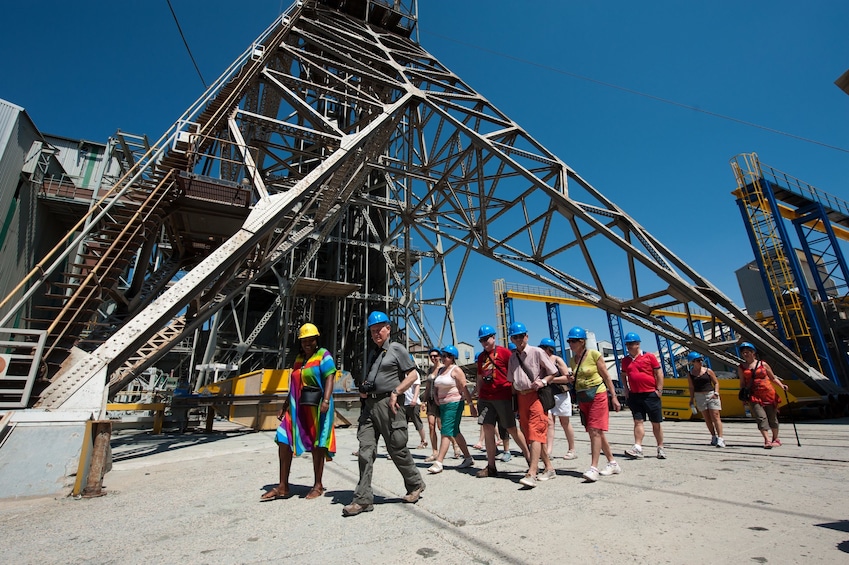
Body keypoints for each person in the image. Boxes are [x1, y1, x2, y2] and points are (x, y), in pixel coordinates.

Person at [343, 311, 427, 517]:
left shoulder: (396, 348)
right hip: (370, 406)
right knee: (365, 450)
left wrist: (396, 392)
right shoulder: (374, 353)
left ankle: (415, 483)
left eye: (379, 329)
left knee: (397, 448)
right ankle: (362, 499)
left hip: (389, 405)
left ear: (388, 328)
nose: (375, 333)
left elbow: (414, 374)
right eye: (372, 330)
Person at [262, 323, 336, 501]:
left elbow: (330, 377)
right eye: (304, 341)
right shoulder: (299, 359)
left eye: (310, 340)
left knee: (318, 444)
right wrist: (285, 405)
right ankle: (283, 486)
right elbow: (294, 384)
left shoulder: (323, 355)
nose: (307, 344)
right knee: (283, 438)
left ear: (316, 340)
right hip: (297, 408)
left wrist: (326, 400)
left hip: (317, 406)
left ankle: (318, 485)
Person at [506, 322, 560, 488]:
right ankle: (549, 468)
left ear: (527, 336)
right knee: (530, 434)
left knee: (536, 431)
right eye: (515, 336)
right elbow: (511, 381)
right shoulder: (513, 358)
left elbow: (553, 371)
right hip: (522, 398)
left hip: (536, 396)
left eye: (521, 336)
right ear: (512, 339)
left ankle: (532, 472)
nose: (519, 339)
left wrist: (543, 381)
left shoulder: (537, 352)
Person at [475, 324, 530, 478]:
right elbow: (479, 378)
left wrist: (515, 396)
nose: (484, 342)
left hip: (503, 396)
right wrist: (479, 397)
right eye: (481, 340)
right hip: (486, 399)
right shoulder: (481, 357)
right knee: (488, 429)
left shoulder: (505, 353)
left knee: (512, 428)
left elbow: (515, 373)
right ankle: (491, 466)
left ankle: (529, 459)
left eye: (487, 338)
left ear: (494, 337)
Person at [567, 326, 622, 482]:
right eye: (569, 341)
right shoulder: (572, 360)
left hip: (598, 393)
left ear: (582, 341)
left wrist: (614, 397)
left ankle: (594, 468)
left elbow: (606, 377)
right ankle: (612, 463)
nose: (570, 343)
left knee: (594, 430)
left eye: (573, 341)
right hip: (583, 397)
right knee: (596, 432)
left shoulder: (594, 355)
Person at [427, 345, 477, 473]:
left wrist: (471, 406)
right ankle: (468, 457)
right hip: (442, 404)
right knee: (454, 431)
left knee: (446, 431)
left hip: (454, 404)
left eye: (448, 356)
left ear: (453, 358)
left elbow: (464, 388)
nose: (444, 358)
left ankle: (439, 462)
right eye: (443, 355)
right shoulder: (440, 370)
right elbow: (436, 385)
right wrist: (436, 397)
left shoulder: (456, 370)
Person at [620, 332, 666, 460]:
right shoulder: (625, 360)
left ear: (638, 344)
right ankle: (638, 447)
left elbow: (659, 373)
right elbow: (623, 375)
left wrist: (659, 390)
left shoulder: (649, 356)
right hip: (635, 395)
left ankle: (660, 447)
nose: (628, 346)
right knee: (638, 421)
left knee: (656, 423)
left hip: (650, 394)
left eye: (630, 344)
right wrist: (626, 389)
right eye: (627, 344)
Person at [737, 342, 788, 449]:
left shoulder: (763, 364)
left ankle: (775, 439)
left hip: (768, 393)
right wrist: (743, 396)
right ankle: (767, 440)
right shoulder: (741, 367)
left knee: (772, 417)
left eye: (748, 352)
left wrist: (782, 386)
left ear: (753, 352)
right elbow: (742, 383)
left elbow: (773, 378)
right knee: (760, 417)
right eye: (743, 353)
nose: (745, 354)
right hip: (753, 395)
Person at [539, 337, 577, 461]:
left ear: (550, 349)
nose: (542, 350)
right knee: (549, 423)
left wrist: (550, 379)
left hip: (560, 394)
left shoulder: (557, 360)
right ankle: (548, 451)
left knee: (564, 422)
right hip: (547, 395)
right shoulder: (540, 361)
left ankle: (572, 449)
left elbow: (567, 378)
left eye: (544, 348)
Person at [424, 348, 460, 462]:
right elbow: (428, 387)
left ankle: (455, 444)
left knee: (442, 427)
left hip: (441, 400)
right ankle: (435, 452)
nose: (433, 358)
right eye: (431, 356)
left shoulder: (443, 368)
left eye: (435, 356)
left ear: (440, 356)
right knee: (431, 425)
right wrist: (424, 401)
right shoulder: (430, 370)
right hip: (430, 400)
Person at [686, 352, 725, 447]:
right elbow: (691, 387)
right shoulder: (690, 374)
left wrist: (716, 393)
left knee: (715, 416)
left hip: (711, 394)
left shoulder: (708, 371)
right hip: (699, 396)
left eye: (701, 360)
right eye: (698, 360)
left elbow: (716, 383)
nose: (700, 362)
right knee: (707, 418)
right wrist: (691, 399)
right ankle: (713, 436)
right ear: (692, 362)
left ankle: (721, 438)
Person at [404, 367, 428, 449]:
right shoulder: (400, 373)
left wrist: (414, 399)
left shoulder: (414, 373)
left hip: (413, 402)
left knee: (417, 422)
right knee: (402, 424)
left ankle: (423, 440)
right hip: (403, 402)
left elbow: (417, 387)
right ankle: (401, 443)